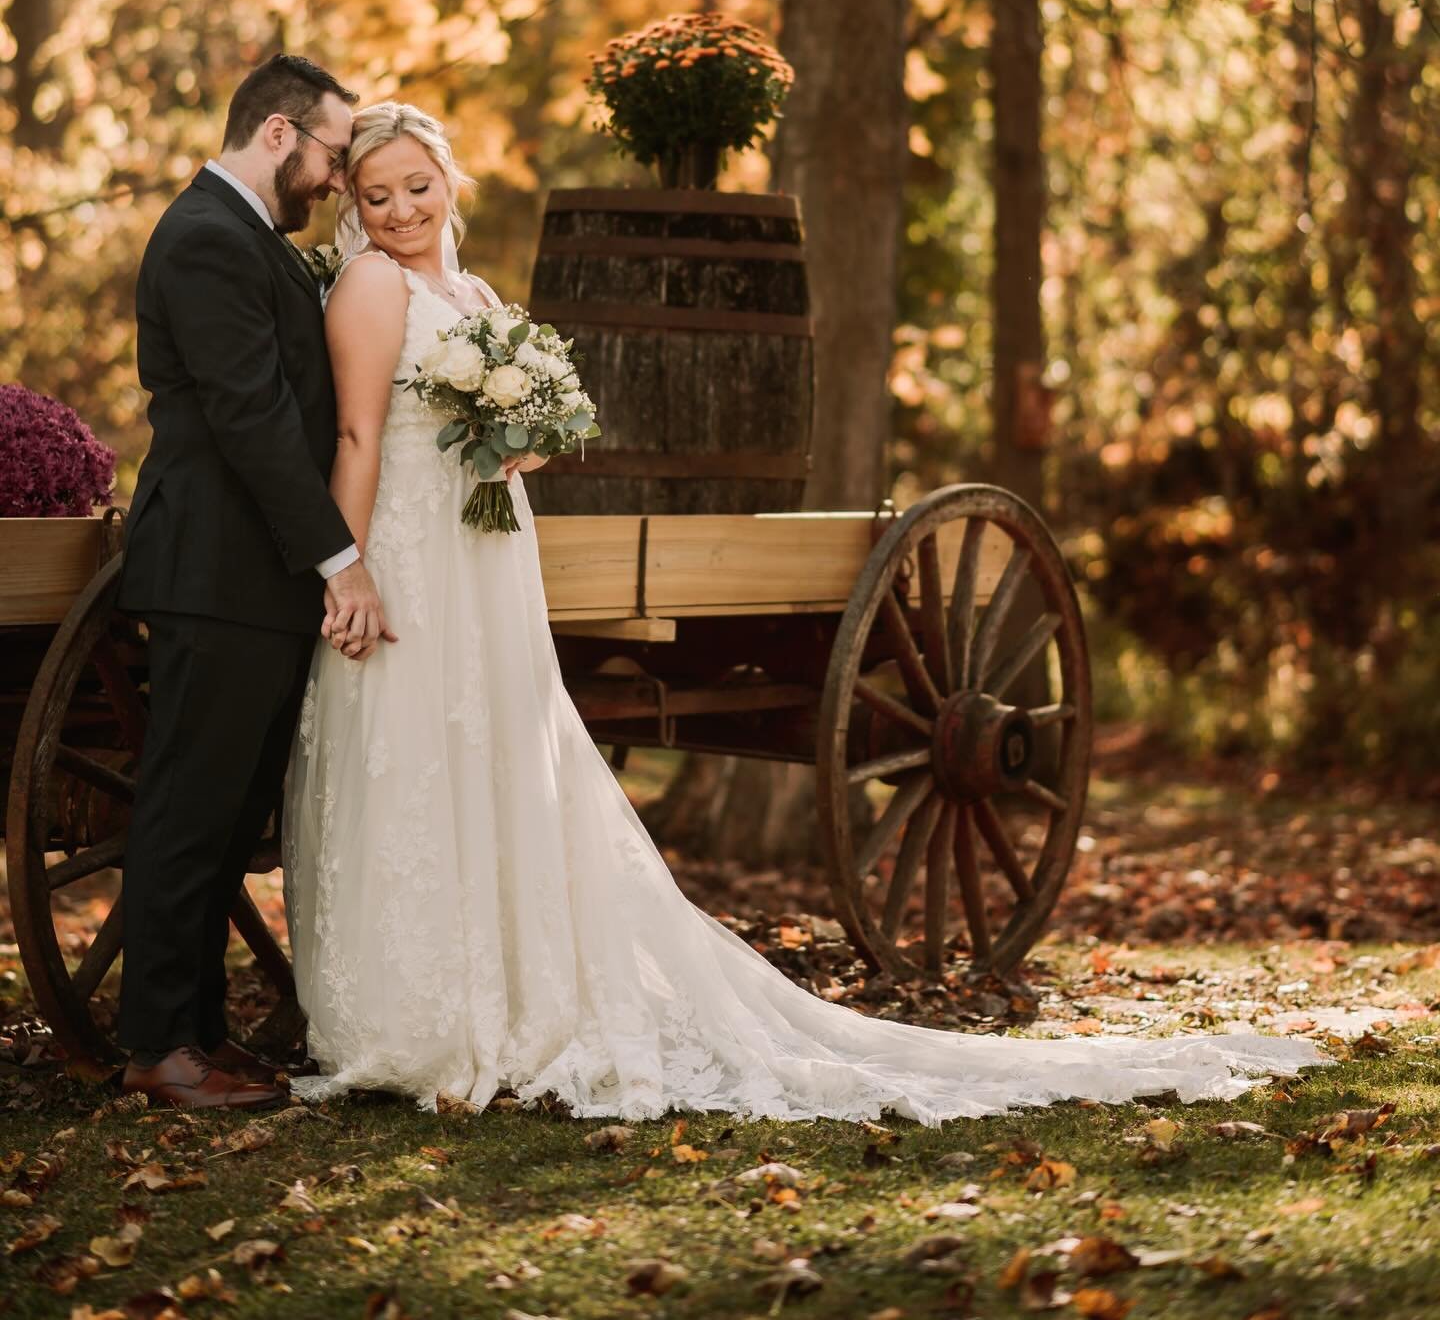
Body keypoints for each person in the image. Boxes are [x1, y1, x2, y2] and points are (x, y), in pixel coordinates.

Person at [284, 100, 1321, 1121]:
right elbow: (361, 441)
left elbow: (522, 425)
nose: (402, 209)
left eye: (418, 186)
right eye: (378, 196)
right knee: (414, 748)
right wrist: (352, 568)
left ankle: (499, 990)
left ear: (449, 178)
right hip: (415, 551)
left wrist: (534, 436)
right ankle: (418, 1010)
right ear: (355, 206)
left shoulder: (468, 289)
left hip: (488, 548)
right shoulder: (370, 289)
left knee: (494, 750)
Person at [118, 56, 396, 1110]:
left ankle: (198, 1029)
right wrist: (340, 555)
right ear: (278, 133)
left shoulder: (251, 242)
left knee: (230, 818)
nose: (334, 179)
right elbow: (250, 417)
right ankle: (153, 1043)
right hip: (213, 567)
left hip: (256, 574)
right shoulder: (202, 238)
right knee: (189, 811)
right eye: (332, 152)